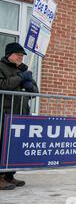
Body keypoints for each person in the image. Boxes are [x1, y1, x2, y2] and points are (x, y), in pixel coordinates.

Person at [0, 43, 39, 190]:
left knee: (14, 146)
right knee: (2, 144)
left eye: (22, 56)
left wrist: (30, 86)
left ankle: (9, 176)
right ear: (9, 54)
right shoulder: (1, 67)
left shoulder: (24, 70)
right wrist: (20, 78)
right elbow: (3, 84)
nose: (21, 58)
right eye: (18, 55)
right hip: (4, 112)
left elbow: (35, 92)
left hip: (20, 114)